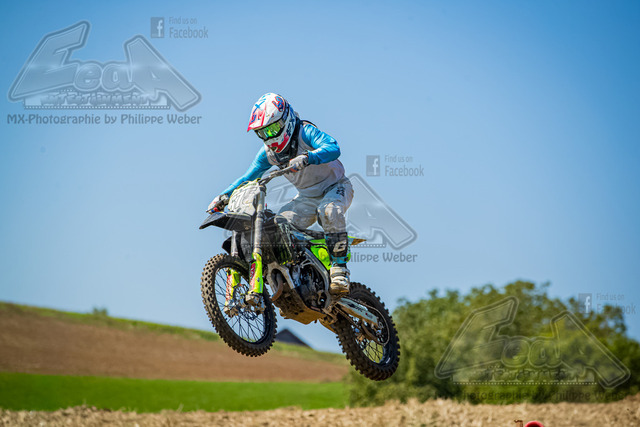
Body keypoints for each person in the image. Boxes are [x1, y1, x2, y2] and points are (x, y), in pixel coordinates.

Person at [207, 93, 354, 302]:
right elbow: (248, 177)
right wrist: (224, 196)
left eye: (273, 129)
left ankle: (339, 269)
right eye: (263, 132)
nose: (269, 136)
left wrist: (308, 157)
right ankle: (300, 273)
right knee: (277, 226)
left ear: (286, 120)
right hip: (306, 198)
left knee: (328, 211)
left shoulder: (305, 132)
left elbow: (333, 147)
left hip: (336, 186)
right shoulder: (269, 153)